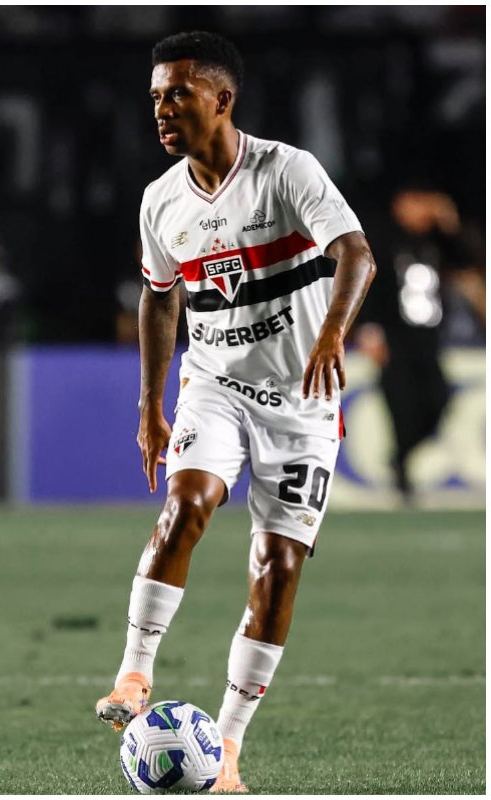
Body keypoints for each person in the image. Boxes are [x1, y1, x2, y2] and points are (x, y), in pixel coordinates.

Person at [94, 32, 376, 793]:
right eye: (155, 95)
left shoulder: (287, 172)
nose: (162, 107)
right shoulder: (161, 200)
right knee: (186, 505)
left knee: (276, 569)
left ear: (222, 98)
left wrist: (331, 333)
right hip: (213, 386)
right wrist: (150, 404)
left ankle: (226, 750)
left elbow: (358, 254)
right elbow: (160, 300)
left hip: (301, 402)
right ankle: (133, 674)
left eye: (177, 92)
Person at [354, 186, 477, 502]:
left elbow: (467, 260)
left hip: (428, 340)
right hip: (395, 340)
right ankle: (402, 474)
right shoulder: (382, 240)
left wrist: (450, 223)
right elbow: (365, 283)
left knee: (439, 400)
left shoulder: (436, 241)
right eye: (417, 203)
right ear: (401, 204)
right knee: (401, 407)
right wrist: (368, 329)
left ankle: (401, 458)